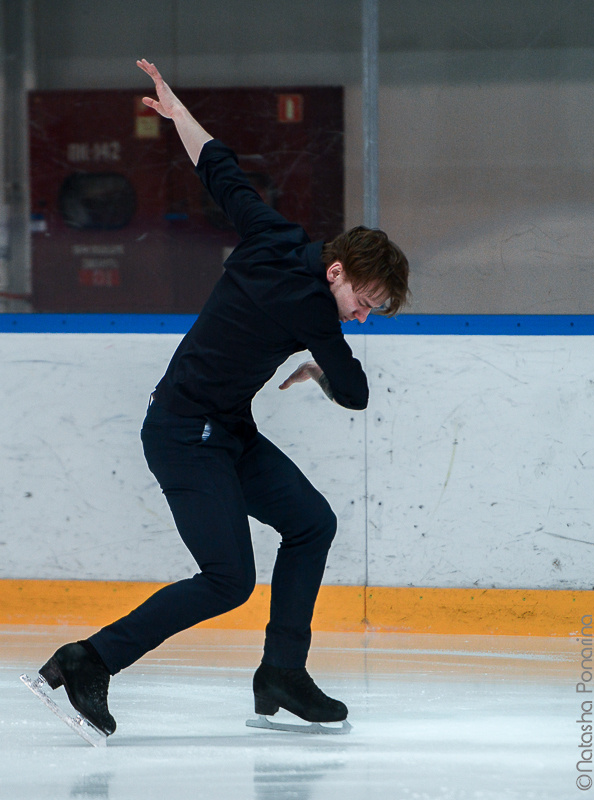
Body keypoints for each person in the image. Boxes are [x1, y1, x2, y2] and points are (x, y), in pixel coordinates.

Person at [37, 59, 409, 736]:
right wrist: (323, 371)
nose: (360, 317)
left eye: (371, 312)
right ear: (337, 271)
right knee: (227, 578)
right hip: (184, 435)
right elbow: (354, 393)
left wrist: (178, 113)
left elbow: (219, 168)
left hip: (222, 431)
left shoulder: (275, 238)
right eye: (365, 302)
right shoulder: (317, 314)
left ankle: (281, 673)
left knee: (310, 523)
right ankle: (90, 659)